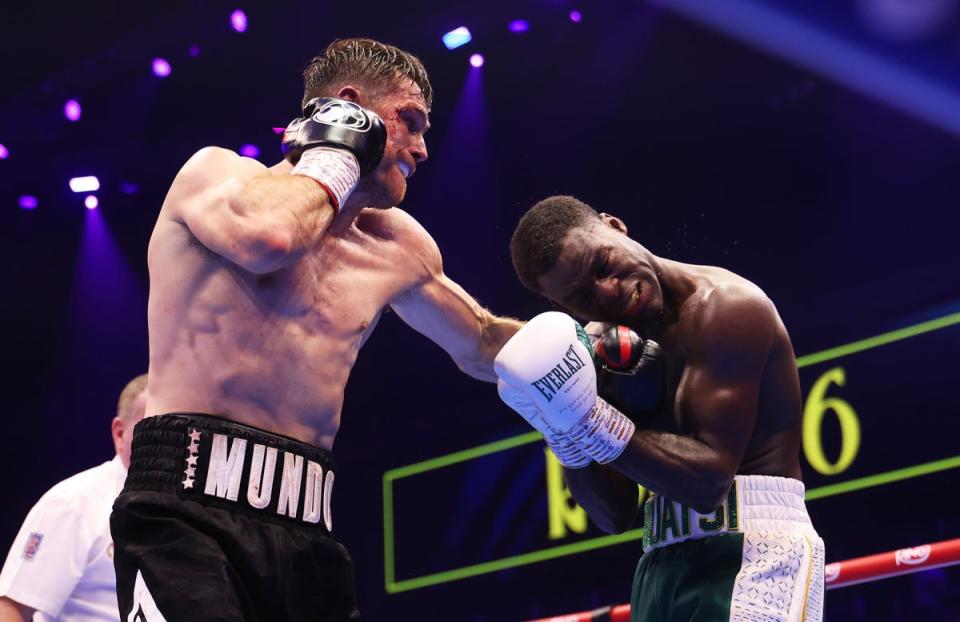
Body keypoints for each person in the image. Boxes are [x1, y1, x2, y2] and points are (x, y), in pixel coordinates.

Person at [112, 38, 521, 621]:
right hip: (185, 513)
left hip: (308, 530)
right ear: (349, 107)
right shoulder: (218, 175)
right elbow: (269, 240)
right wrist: (336, 152)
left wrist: (587, 351)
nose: (423, 149)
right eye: (409, 121)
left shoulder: (395, 245)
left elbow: (483, 343)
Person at [494, 195, 825, 621]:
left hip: (758, 549)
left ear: (615, 226)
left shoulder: (726, 308)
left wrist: (590, 419)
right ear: (563, 309)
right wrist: (564, 432)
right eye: (582, 296)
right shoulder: (595, 347)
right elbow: (614, 515)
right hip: (659, 563)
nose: (608, 293)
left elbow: (708, 483)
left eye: (602, 265)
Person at [0, 375, 147, 622]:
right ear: (120, 434)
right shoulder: (73, 503)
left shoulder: (192, 511)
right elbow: (12, 608)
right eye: (150, 428)